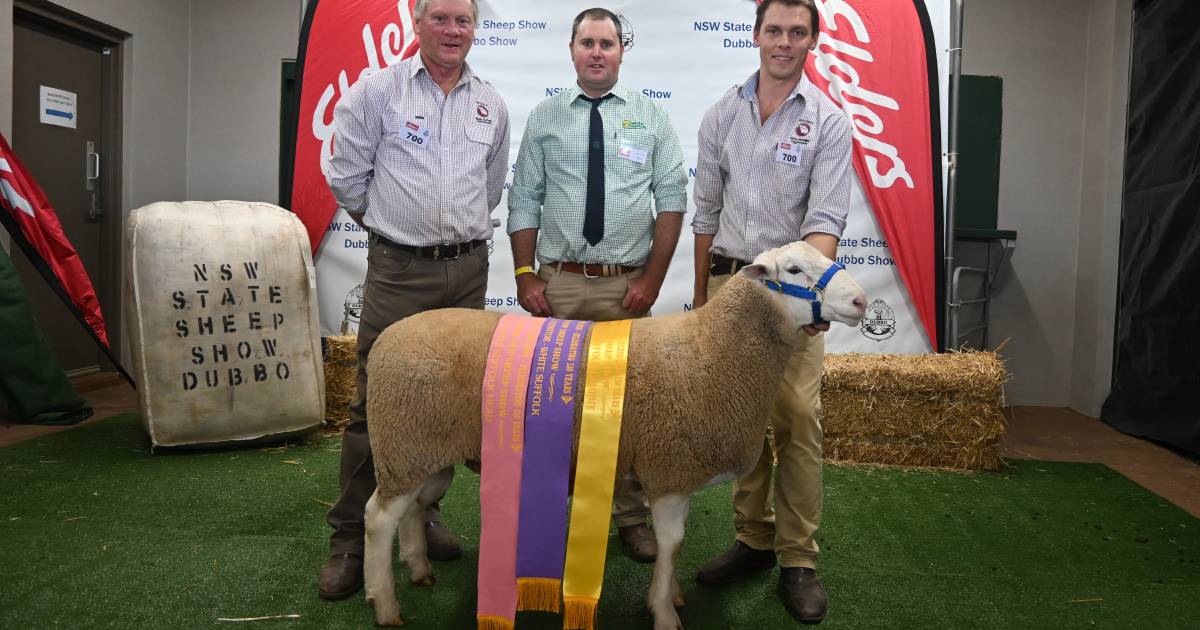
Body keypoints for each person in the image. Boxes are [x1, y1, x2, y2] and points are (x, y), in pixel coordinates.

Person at [317, 0, 509, 600]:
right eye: (442, 18)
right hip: (401, 270)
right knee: (375, 403)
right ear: (419, 23)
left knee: (451, 405)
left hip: (468, 271)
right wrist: (392, 233)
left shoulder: (490, 102)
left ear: (475, 29)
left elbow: (493, 182)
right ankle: (350, 540)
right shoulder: (379, 91)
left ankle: (421, 516)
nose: (453, 31)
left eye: (464, 21)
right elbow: (345, 175)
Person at [690, 0, 852, 623]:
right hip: (733, 288)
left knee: (798, 421)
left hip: (794, 299)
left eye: (797, 32)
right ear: (756, 35)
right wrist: (704, 297)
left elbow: (826, 222)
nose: (784, 42)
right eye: (774, 30)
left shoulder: (829, 123)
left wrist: (809, 299)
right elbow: (705, 214)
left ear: (813, 39)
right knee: (741, 421)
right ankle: (752, 541)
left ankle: (798, 559)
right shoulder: (720, 114)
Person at [506, 7, 688, 563]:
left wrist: (653, 279)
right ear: (571, 49)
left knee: (629, 412)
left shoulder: (650, 118)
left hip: (624, 289)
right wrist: (523, 274)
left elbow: (673, 201)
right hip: (558, 287)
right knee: (550, 409)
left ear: (621, 51)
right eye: (587, 42)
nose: (597, 52)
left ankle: (631, 519)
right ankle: (546, 517)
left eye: (607, 43)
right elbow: (523, 200)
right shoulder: (544, 117)